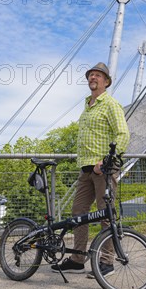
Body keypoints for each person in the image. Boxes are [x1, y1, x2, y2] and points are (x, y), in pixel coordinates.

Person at [51, 62, 130, 278]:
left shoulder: (110, 104)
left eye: (98, 75)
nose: (93, 78)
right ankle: (78, 259)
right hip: (85, 169)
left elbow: (123, 134)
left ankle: (107, 263)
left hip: (102, 170)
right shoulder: (87, 106)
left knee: (107, 215)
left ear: (106, 81)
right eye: (91, 75)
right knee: (78, 214)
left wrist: (106, 162)